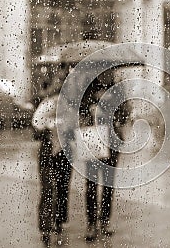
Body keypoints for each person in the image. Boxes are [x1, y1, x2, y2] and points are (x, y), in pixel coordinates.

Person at [79, 70, 131, 242]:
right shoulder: (87, 88)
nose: (106, 74)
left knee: (108, 183)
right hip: (93, 139)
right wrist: (91, 109)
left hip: (112, 140)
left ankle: (105, 221)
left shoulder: (118, 89)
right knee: (92, 183)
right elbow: (78, 109)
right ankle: (91, 223)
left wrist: (113, 115)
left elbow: (126, 112)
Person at [32, 69, 72, 247]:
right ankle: (45, 228)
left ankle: (58, 222)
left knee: (63, 188)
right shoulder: (48, 104)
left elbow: (75, 125)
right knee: (48, 189)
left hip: (64, 152)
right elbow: (37, 124)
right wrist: (54, 124)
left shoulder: (70, 106)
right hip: (48, 152)